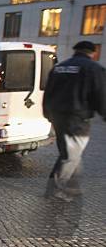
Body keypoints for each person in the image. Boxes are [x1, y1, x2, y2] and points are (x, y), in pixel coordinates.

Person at [43, 41, 106, 202]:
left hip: (57, 116)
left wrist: (47, 114)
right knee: (70, 155)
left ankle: (72, 185)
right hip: (77, 118)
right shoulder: (93, 69)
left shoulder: (59, 67)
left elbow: (47, 91)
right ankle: (54, 190)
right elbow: (101, 95)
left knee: (71, 151)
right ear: (92, 53)